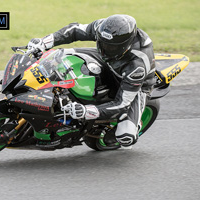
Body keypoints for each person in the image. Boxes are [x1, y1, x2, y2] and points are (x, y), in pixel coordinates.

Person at [27, 14, 156, 147]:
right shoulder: (104, 29)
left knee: (125, 136)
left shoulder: (137, 65)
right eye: (102, 43)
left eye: (110, 47)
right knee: (60, 55)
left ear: (126, 46)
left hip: (134, 85)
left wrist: (86, 111)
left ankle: (132, 125)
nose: (105, 48)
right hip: (111, 62)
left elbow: (122, 103)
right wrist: (44, 42)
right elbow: (74, 30)